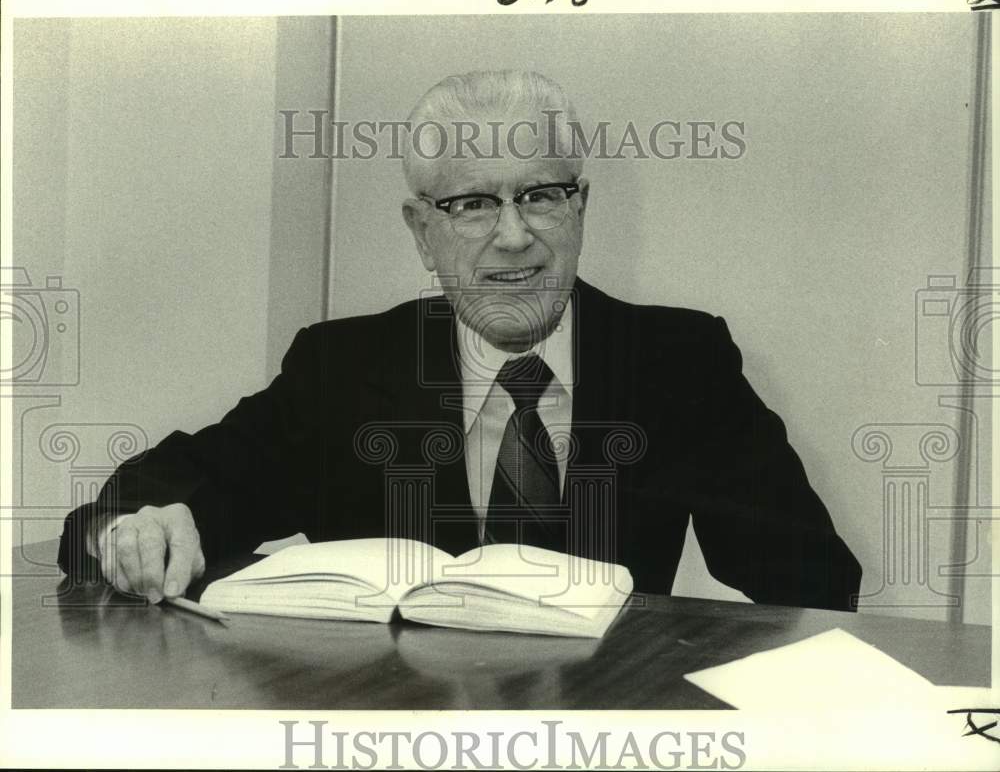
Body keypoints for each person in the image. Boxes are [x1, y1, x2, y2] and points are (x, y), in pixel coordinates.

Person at [57, 70, 862, 611]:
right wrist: (136, 527)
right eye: (473, 205)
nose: (513, 238)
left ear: (581, 207)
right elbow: (168, 487)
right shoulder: (344, 369)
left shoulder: (678, 363)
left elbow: (815, 581)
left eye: (541, 196)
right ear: (422, 232)